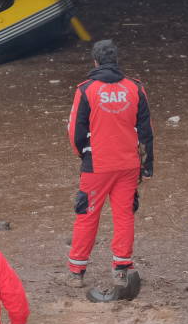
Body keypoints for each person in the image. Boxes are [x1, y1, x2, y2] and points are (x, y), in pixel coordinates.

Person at [65, 39, 153, 289]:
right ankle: (122, 270)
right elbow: (146, 131)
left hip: (97, 164)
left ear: (95, 61)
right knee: (124, 215)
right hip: (128, 163)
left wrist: (83, 154)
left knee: (86, 215)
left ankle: (76, 272)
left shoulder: (85, 90)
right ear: (116, 61)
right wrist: (147, 167)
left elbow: (75, 130)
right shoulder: (135, 88)